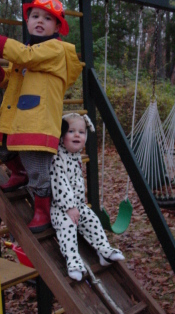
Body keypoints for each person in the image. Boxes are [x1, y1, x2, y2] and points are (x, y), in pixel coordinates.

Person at [0, 0, 83, 233]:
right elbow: (10, 81)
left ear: (57, 26)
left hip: (38, 121)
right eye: (35, 16)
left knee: (38, 169)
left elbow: (26, 57)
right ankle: (19, 173)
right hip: (15, 119)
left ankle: (42, 212)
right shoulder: (26, 51)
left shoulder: (56, 49)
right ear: (27, 21)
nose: (40, 21)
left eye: (48, 18)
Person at [50, 113, 125, 281]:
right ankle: (73, 261)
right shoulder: (57, 157)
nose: (77, 135)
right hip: (61, 209)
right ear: (62, 136)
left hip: (78, 205)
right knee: (67, 227)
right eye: (71, 131)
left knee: (92, 219)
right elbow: (59, 183)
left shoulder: (76, 156)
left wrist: (78, 206)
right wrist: (70, 207)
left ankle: (104, 251)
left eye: (81, 132)